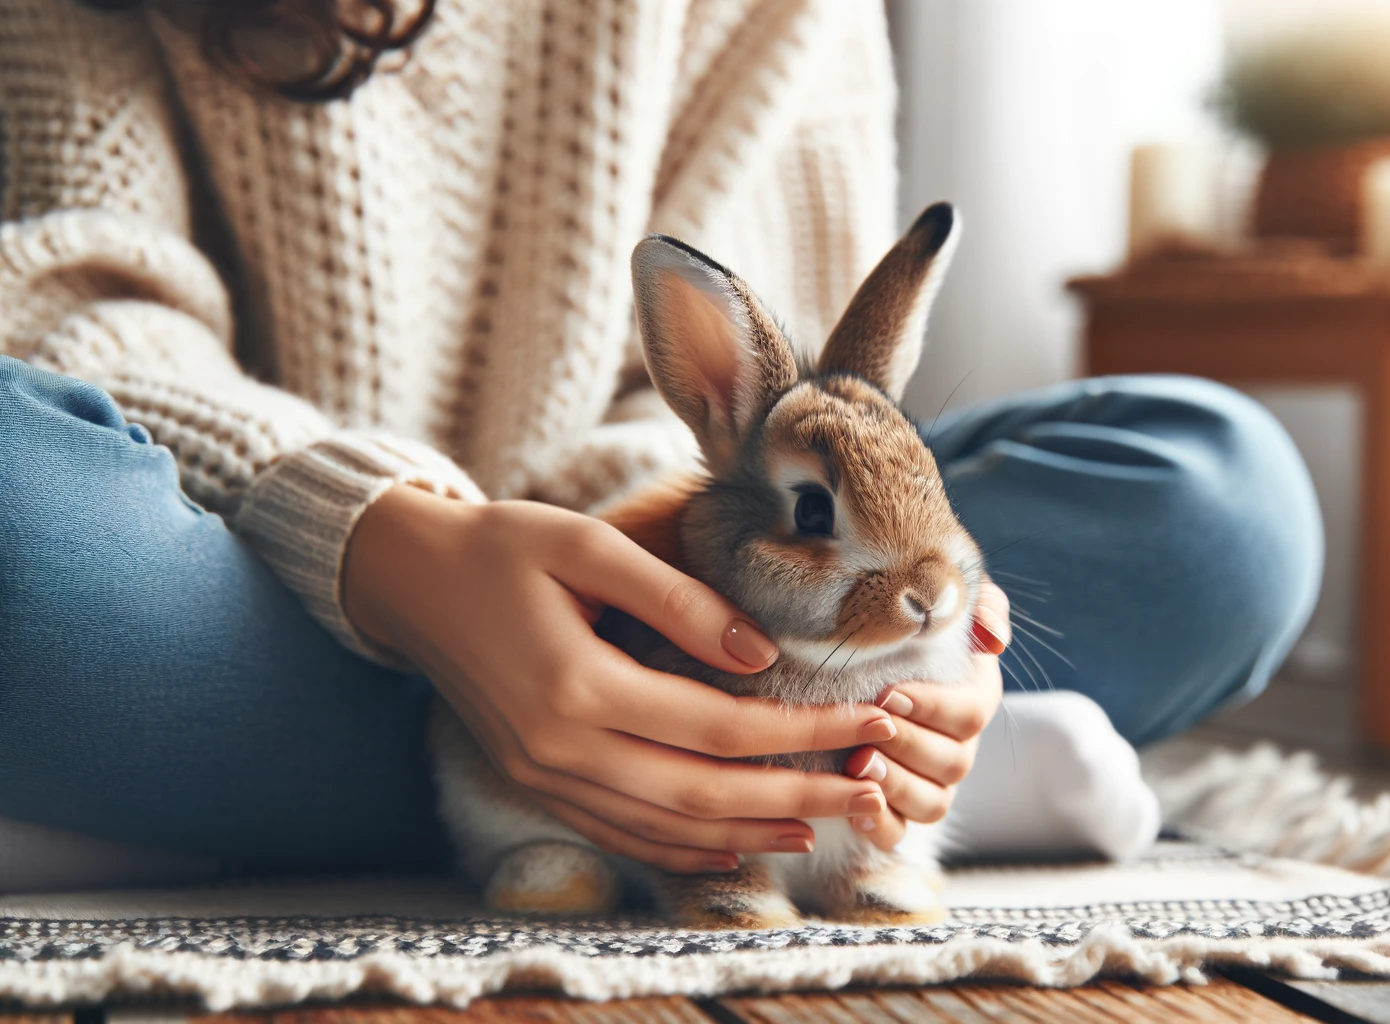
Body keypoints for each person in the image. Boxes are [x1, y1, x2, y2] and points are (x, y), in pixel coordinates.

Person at [0, 0, 1322, 886]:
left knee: (1225, 501)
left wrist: (918, 624)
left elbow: (805, 413)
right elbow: (74, 311)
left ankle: (219, 806)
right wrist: (393, 540)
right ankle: (795, 799)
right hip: (255, 569)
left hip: (692, 603)